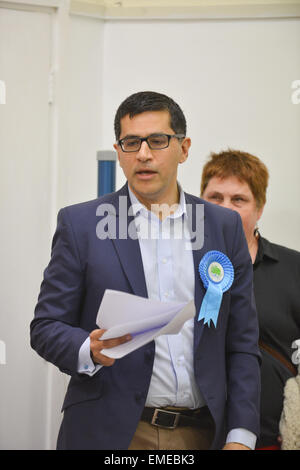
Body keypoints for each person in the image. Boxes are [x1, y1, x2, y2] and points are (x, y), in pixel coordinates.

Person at [30, 92, 260, 450]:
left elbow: (243, 342)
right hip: (114, 431)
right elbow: (45, 327)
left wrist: (242, 435)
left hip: (202, 433)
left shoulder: (222, 225)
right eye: (131, 142)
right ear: (118, 151)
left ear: (184, 149)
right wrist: (86, 348)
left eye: (157, 141)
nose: (143, 154)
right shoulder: (81, 225)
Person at [201, 149, 300, 449]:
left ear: (260, 208)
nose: (225, 208)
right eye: (215, 197)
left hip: (274, 437)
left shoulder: (294, 268)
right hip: (193, 434)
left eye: (238, 200)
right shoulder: (178, 266)